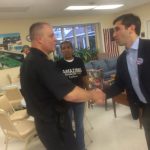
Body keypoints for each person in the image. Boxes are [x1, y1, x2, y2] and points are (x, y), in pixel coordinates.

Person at [20, 22, 105, 150]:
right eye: (51, 36)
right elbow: (70, 94)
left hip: (45, 123)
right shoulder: (41, 63)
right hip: (54, 125)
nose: (55, 39)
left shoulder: (28, 61)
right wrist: (93, 94)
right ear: (39, 39)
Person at [104, 13, 150, 150]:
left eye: (117, 29)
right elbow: (119, 84)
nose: (114, 35)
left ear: (131, 28)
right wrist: (102, 94)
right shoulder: (121, 59)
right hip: (146, 109)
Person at [57, 41, 88, 150]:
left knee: (79, 125)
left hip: (79, 98)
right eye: (63, 48)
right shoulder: (58, 63)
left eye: (68, 47)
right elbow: (56, 82)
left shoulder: (79, 61)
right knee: (68, 125)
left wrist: (88, 92)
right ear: (61, 51)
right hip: (66, 100)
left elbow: (84, 77)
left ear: (72, 49)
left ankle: (81, 147)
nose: (66, 49)